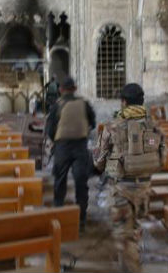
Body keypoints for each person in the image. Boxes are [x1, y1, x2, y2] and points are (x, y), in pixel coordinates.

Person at [93, 83, 164, 273]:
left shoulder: (112, 126)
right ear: (142, 102)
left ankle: (132, 267)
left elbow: (98, 162)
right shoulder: (154, 126)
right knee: (134, 228)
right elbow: (162, 157)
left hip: (121, 190)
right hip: (144, 189)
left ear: (123, 102)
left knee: (124, 238)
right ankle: (132, 257)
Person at [45, 76, 96, 231]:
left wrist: (58, 141)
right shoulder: (85, 104)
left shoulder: (56, 105)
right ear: (75, 89)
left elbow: (50, 130)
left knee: (60, 181)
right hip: (80, 145)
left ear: (61, 90)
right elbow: (92, 123)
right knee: (81, 182)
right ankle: (80, 221)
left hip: (63, 146)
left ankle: (59, 218)